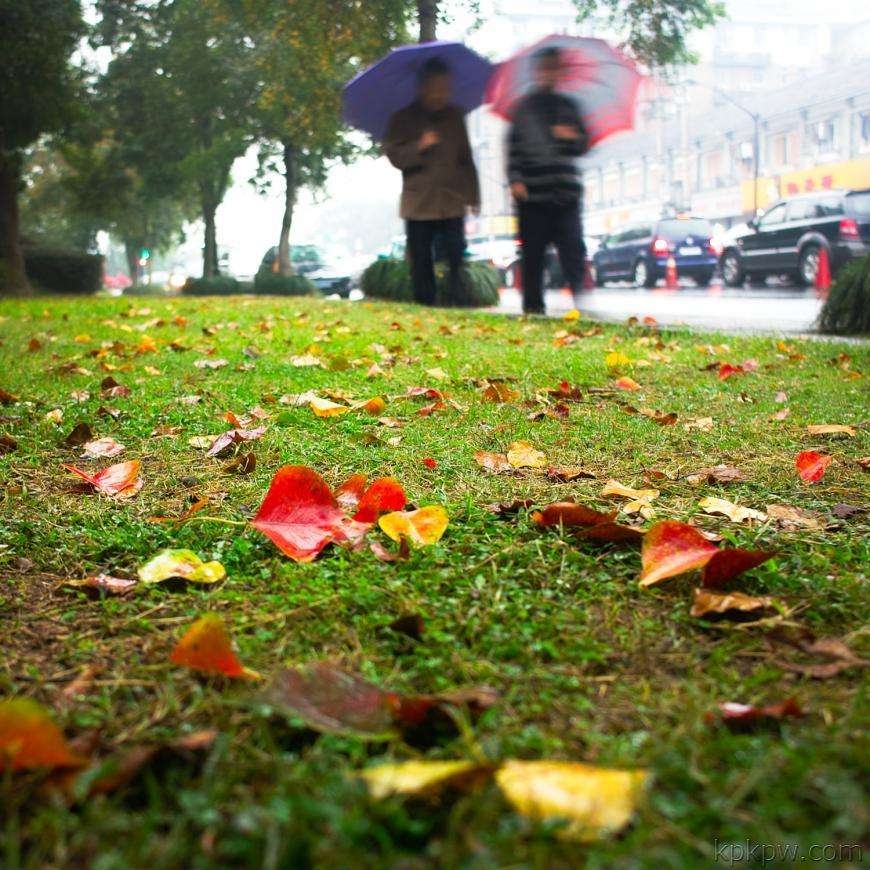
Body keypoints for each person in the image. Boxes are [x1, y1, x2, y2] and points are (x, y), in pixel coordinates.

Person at [383, 57, 480, 306]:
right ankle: (425, 303)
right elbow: (395, 157)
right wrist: (419, 145)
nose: (441, 95)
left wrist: (473, 196)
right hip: (419, 204)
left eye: (445, 89)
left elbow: (466, 159)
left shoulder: (455, 117)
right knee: (421, 258)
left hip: (451, 200)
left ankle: (458, 300)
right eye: (436, 88)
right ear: (422, 87)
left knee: (456, 254)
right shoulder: (402, 119)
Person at [507, 46, 589, 315]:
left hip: (565, 194)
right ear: (538, 71)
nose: (550, 73)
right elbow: (512, 151)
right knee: (533, 256)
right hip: (532, 197)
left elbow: (583, 144)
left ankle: (582, 304)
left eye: (555, 68)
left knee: (573, 251)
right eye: (546, 68)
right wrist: (516, 179)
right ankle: (533, 307)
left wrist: (571, 137)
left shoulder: (569, 107)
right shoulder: (524, 110)